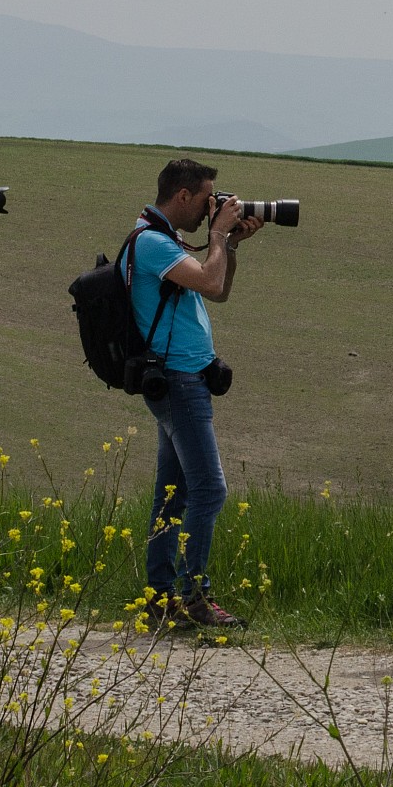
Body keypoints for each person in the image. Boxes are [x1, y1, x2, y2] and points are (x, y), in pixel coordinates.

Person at [128, 157, 267, 632]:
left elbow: (218, 290)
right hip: (180, 381)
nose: (214, 205)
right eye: (209, 197)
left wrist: (229, 244)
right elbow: (209, 280)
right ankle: (194, 596)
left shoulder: (165, 242)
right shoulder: (150, 242)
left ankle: (160, 597)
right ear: (183, 196)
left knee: (174, 493)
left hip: (184, 379)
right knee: (209, 489)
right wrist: (216, 237)